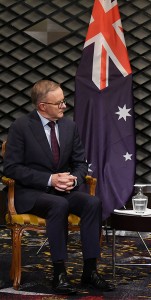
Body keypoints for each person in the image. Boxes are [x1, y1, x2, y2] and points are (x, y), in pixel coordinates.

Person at [3, 80, 114, 294]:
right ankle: (59, 273)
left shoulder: (68, 126)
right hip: (32, 193)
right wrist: (49, 179)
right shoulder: (21, 126)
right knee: (58, 205)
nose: (64, 106)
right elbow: (12, 168)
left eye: (64, 102)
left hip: (63, 190)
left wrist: (73, 179)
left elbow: (80, 163)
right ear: (42, 106)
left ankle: (90, 271)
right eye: (59, 103)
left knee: (93, 202)